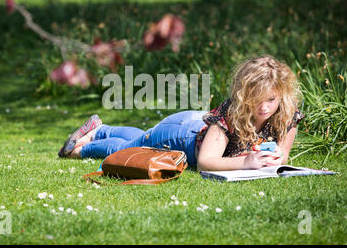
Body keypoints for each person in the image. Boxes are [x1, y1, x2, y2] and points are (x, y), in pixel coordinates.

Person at [58, 55, 304, 171]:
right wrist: (248, 161)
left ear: (281, 95)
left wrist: (273, 159)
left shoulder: (287, 114)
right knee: (132, 150)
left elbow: (282, 156)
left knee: (144, 137)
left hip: (192, 125)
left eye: (271, 100)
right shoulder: (231, 113)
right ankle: (79, 149)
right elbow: (206, 162)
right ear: (244, 95)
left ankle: (100, 129)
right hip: (180, 136)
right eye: (256, 100)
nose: (264, 108)